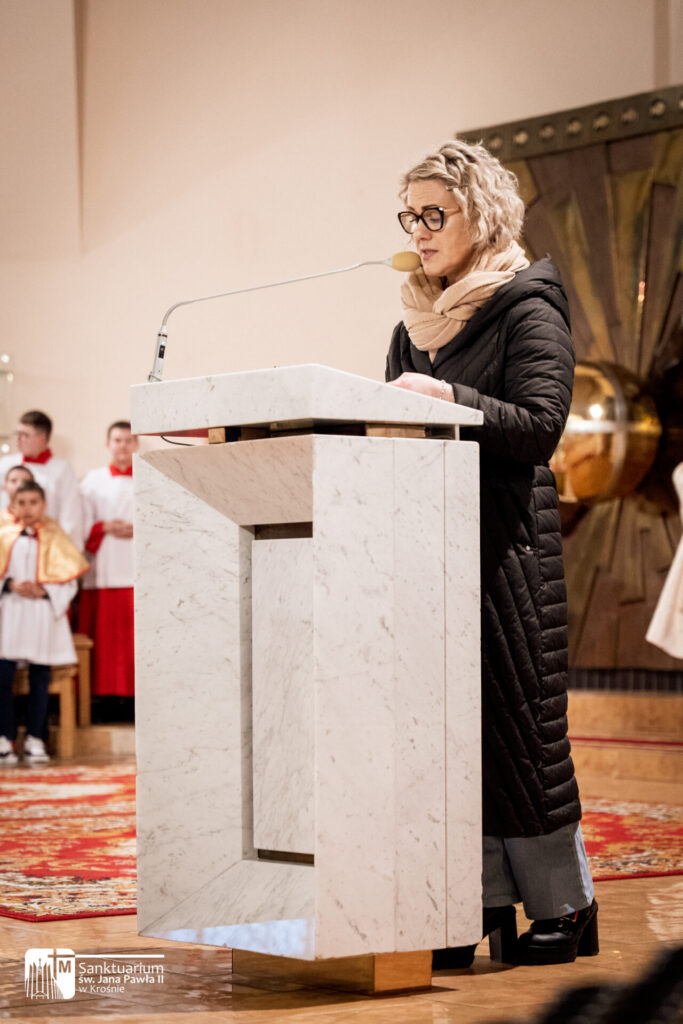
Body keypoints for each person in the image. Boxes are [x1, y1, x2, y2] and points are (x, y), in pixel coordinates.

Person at [386, 139, 596, 967]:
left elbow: (539, 429)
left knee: (522, 730)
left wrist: (448, 397)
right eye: (408, 216)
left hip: (507, 551)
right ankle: (472, 903)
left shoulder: (527, 307)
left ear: (480, 213)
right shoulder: (412, 323)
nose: (418, 229)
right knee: (451, 735)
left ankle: (563, 905)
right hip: (429, 550)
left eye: (432, 213)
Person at [0, 481, 88, 766]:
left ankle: (36, 737)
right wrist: (10, 584)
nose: (27, 508)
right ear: (13, 505)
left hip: (41, 614)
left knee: (41, 676)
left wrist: (46, 590)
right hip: (11, 612)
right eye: (21, 502)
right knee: (2, 675)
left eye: (33, 502)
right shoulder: (4, 535)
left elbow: (69, 581)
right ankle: (5, 737)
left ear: (44, 505)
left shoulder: (56, 535)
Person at [78, 421, 138, 717]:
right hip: (103, 567)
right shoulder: (92, 481)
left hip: (136, 568)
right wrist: (104, 526)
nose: (122, 445)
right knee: (105, 642)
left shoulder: (150, 477)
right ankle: (101, 699)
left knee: (133, 640)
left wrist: (140, 528)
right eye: (117, 440)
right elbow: (78, 523)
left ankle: (135, 699)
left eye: (128, 440)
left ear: (136, 444)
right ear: (108, 444)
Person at [0, 410, 83, 549]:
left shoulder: (62, 469)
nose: (19, 439)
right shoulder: (5, 464)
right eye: (18, 434)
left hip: (47, 544)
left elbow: (70, 514)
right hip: (8, 541)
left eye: (25, 435)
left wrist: (62, 547)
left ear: (42, 437)